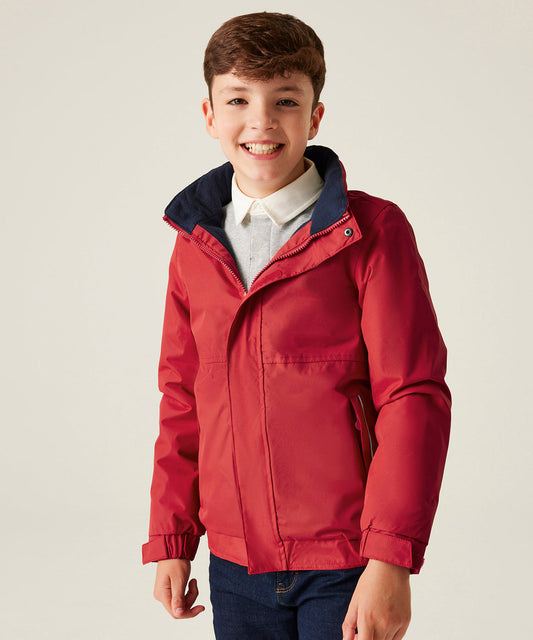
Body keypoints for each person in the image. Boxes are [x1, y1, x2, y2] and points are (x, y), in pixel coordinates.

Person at [142, 11, 451, 640]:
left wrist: (390, 558)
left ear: (315, 116)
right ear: (209, 116)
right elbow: (182, 396)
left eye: (285, 100)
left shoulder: (372, 232)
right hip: (234, 564)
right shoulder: (195, 242)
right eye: (238, 100)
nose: (260, 121)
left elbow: (412, 395)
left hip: (345, 560)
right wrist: (172, 537)